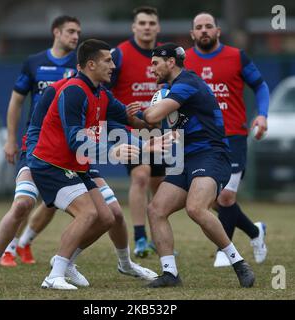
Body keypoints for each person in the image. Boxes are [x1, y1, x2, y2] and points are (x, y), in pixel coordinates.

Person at [0, 39, 162, 290]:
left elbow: (127, 117)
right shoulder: (67, 90)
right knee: (25, 205)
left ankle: (82, 263)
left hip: (77, 162)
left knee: (109, 216)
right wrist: (118, 149)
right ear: (89, 65)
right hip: (46, 160)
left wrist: (157, 120)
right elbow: (63, 137)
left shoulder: (100, 93)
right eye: (108, 60)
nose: (113, 65)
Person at [142, 43, 255, 288]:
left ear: (171, 62)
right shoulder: (170, 90)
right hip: (185, 160)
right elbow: (155, 123)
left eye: (155, 63)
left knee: (196, 208)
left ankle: (238, 262)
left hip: (211, 155)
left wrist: (144, 112)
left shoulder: (187, 83)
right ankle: (170, 274)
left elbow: (151, 117)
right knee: (156, 209)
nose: (152, 69)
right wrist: (139, 114)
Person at [184, 12, 268, 267]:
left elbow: (260, 86)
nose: (204, 31)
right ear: (192, 34)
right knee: (210, 199)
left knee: (226, 198)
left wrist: (262, 115)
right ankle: (255, 232)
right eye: (199, 27)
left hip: (234, 136)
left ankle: (225, 250)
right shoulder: (185, 60)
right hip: (200, 139)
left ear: (218, 31)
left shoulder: (236, 56)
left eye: (209, 26)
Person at [0, 15, 81, 267]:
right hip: (37, 140)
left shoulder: (81, 63)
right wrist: (11, 139)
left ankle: (25, 242)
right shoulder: (34, 62)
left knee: (55, 200)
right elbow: (16, 101)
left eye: (78, 32)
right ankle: (8, 248)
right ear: (56, 32)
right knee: (26, 197)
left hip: (68, 141)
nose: (75, 36)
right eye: (70, 31)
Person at [108, 6, 166, 257]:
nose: (146, 27)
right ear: (134, 27)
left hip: (158, 130)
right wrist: (121, 116)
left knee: (160, 185)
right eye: (141, 23)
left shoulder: (166, 55)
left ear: (158, 27)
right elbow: (103, 89)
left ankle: (159, 239)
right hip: (129, 130)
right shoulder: (119, 54)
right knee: (141, 176)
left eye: (151, 23)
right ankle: (140, 238)